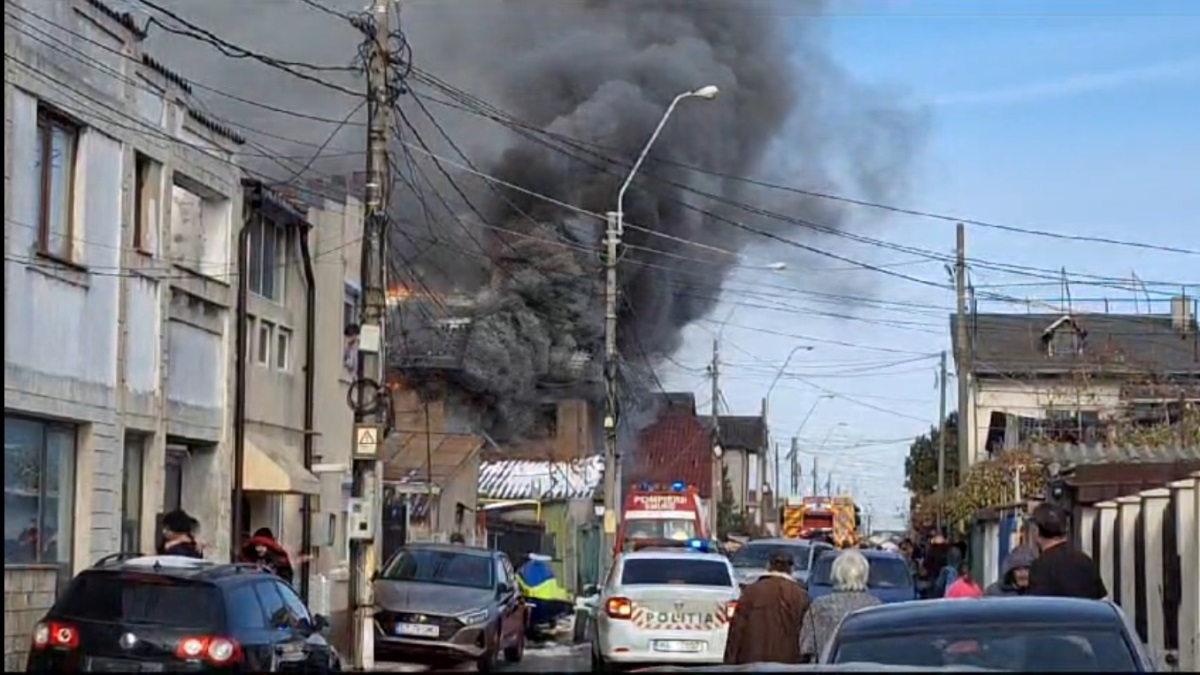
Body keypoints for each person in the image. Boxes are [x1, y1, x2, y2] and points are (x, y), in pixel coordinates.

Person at [724, 551, 811, 665]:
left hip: (751, 661)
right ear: (791, 569)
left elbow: (736, 631)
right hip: (788, 662)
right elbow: (807, 636)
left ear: (768, 566)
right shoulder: (800, 596)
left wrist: (730, 661)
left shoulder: (751, 592)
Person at [799, 550, 882, 662]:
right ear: (864, 575)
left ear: (835, 573)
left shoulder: (819, 606)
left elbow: (806, 647)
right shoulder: (876, 607)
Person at [1028, 503, 1107, 599]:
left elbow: (1037, 607)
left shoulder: (1040, 567)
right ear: (1066, 531)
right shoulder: (1085, 562)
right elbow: (1103, 601)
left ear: (1036, 531)